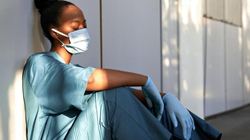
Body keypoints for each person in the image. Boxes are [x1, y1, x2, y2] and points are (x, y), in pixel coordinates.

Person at [22, 0, 222, 139]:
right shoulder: (40, 64)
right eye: (75, 27)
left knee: (159, 106)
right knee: (111, 97)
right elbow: (94, 81)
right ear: (54, 32)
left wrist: (166, 97)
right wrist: (145, 80)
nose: (83, 31)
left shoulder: (75, 70)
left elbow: (129, 95)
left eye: (84, 25)